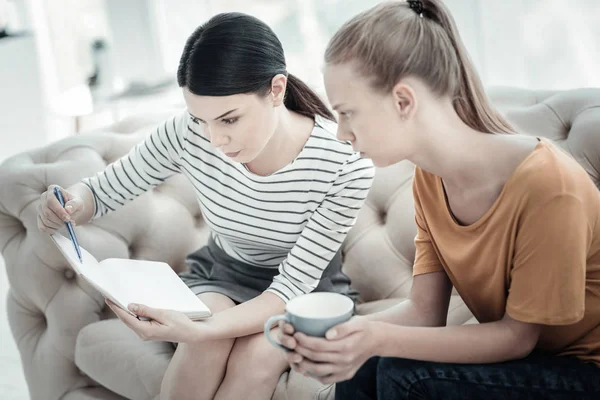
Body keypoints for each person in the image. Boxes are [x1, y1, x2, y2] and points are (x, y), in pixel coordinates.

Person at [37, 12, 374, 400]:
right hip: (224, 273)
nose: (215, 139)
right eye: (202, 120)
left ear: (277, 89)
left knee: (255, 360)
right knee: (203, 348)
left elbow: (289, 289)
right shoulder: (188, 132)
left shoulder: (344, 166)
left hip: (304, 291)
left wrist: (199, 327)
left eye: (229, 119)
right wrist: (71, 203)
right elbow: (104, 190)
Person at [278, 1, 600, 399]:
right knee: (369, 364)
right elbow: (424, 312)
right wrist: (343, 335)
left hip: (584, 370)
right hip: (528, 359)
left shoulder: (550, 187)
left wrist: (375, 339)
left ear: (403, 101)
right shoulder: (431, 180)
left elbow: (517, 339)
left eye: (347, 113)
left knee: (402, 373)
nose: (342, 133)